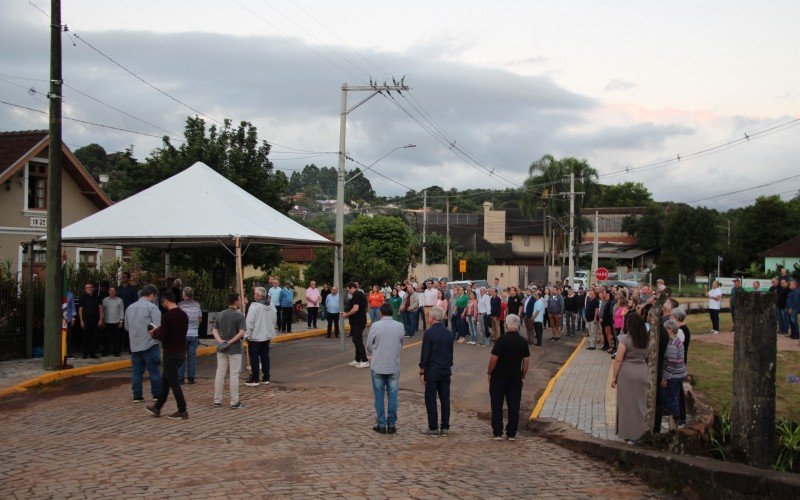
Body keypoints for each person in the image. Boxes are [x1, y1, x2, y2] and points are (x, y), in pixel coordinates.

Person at [145, 291, 189, 420]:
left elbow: (163, 335)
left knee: (174, 383)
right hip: (181, 352)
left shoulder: (167, 316)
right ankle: (157, 407)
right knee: (165, 381)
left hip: (170, 353)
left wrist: (154, 334)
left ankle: (182, 410)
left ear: (165, 301)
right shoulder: (183, 315)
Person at [487, 314, 530, 441]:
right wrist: (523, 376)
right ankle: (511, 432)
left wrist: (489, 372)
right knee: (514, 405)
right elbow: (526, 361)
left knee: (496, 404)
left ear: (506, 325)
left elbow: (494, 358)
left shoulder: (501, 340)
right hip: (515, 376)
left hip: (499, 376)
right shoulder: (523, 341)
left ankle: (497, 431)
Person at [366, 303, 405, 434]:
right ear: (392, 313)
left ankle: (381, 423)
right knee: (393, 395)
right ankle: (392, 424)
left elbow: (369, 346)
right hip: (393, 365)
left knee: (379, 395)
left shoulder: (375, 326)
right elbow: (400, 344)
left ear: (381, 313)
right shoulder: (399, 326)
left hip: (378, 365)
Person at [610, 313, 649, 443]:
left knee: (626, 405)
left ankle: (627, 433)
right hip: (642, 371)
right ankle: (640, 432)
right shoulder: (647, 339)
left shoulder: (625, 340)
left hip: (627, 374)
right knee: (639, 403)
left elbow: (618, 360)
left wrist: (614, 377)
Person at [419, 306, 454, 437]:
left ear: (432, 317)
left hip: (432, 370)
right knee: (445, 399)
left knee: (431, 398)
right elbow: (450, 353)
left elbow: (425, 355)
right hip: (445, 370)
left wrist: (422, 371)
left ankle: (433, 426)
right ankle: (445, 426)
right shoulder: (448, 333)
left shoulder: (429, 333)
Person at [124, 284, 162, 403]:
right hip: (149, 343)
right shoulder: (152, 307)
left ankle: (137, 395)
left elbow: (126, 326)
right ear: (152, 294)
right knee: (154, 371)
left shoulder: (130, 307)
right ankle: (156, 394)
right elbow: (157, 327)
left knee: (137, 371)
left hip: (135, 344)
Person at [213, 293, 247, 409]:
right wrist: (230, 342)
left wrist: (221, 341)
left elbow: (214, 330)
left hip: (221, 348)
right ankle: (234, 401)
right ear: (236, 301)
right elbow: (241, 332)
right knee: (234, 375)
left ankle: (217, 400)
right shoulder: (239, 316)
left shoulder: (221, 314)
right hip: (235, 349)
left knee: (220, 374)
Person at [244, 286, 277, 387]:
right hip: (266, 335)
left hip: (255, 336)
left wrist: (246, 335)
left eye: (254, 293)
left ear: (258, 295)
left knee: (254, 358)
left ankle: (255, 378)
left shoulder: (254, 306)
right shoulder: (271, 306)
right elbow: (274, 320)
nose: (254, 295)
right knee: (265, 356)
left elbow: (249, 323)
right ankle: (266, 377)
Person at [661, 319, 687, 429]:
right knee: (674, 397)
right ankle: (676, 419)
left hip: (674, 375)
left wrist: (665, 378)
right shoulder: (677, 341)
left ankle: (676, 420)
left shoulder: (672, 343)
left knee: (671, 398)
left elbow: (671, 363)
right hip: (679, 373)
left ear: (670, 330)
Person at [178, 287, 202, 384]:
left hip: (183, 334)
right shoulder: (197, 305)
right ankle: (191, 378)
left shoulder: (180, 305)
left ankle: (180, 378)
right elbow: (200, 319)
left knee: (181, 356)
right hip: (194, 333)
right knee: (192, 356)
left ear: (185, 294)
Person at [342, 282, 369, 368]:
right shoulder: (356, 295)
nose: (348, 291)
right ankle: (358, 359)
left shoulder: (357, 294)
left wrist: (346, 315)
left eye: (349, 289)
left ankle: (365, 360)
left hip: (358, 321)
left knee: (358, 340)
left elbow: (355, 309)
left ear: (353, 288)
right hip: (356, 321)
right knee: (355, 340)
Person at [78, 283, 103, 359]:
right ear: (85, 289)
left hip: (95, 320)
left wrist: (101, 319)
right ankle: (85, 353)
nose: (89, 289)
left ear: (93, 288)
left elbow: (100, 308)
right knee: (85, 337)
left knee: (94, 337)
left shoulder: (97, 297)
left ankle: (92, 353)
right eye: (87, 288)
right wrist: (81, 320)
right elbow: (80, 309)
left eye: (90, 287)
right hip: (86, 320)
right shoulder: (82, 297)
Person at [101, 286, 124, 357]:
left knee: (116, 338)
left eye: (113, 290)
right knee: (106, 338)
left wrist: (121, 321)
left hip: (117, 322)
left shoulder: (120, 300)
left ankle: (116, 352)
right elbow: (102, 311)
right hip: (107, 322)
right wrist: (102, 320)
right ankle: (106, 352)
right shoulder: (105, 300)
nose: (112, 292)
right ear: (108, 292)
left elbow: (121, 311)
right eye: (110, 290)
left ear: (116, 292)